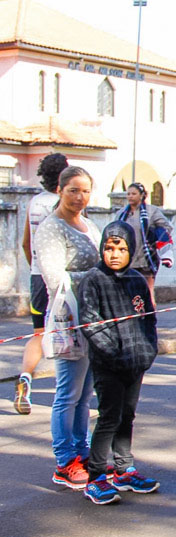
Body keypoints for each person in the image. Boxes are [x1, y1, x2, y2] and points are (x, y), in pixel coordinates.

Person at [76, 221, 160, 505]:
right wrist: (115, 355)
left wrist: (147, 352)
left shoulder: (136, 280)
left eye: (121, 248)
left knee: (127, 415)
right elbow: (91, 324)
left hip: (135, 364)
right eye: (109, 248)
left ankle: (124, 469)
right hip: (109, 365)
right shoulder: (93, 280)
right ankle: (97, 477)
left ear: (130, 250)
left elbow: (148, 319)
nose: (114, 253)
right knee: (109, 417)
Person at [35, 166, 101, 489]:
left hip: (94, 318)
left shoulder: (89, 225)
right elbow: (55, 277)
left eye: (85, 191)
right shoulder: (51, 228)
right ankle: (64, 461)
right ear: (60, 190)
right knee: (68, 393)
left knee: (85, 394)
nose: (79, 197)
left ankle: (82, 449)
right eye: (73, 190)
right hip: (68, 319)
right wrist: (96, 281)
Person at [14, 152, 67, 415]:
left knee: (38, 335)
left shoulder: (34, 203)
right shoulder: (65, 202)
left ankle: (25, 376)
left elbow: (26, 243)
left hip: (37, 277)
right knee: (69, 333)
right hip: (61, 279)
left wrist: (35, 265)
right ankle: (67, 393)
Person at [116, 182, 174, 305]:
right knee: (129, 295)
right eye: (128, 194)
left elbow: (167, 227)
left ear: (142, 195)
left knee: (148, 294)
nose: (130, 196)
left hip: (146, 259)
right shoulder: (121, 214)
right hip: (127, 260)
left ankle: (150, 320)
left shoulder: (151, 211)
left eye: (134, 194)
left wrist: (154, 236)